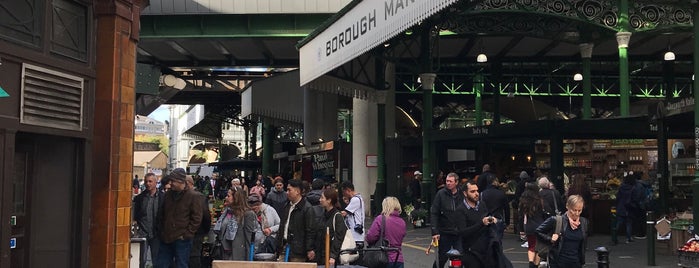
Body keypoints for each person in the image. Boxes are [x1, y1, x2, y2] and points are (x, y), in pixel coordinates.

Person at [155, 168, 203, 268]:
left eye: (173, 181)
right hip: (166, 237)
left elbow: (197, 218)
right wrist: (161, 231)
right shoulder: (168, 195)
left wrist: (187, 234)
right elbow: (162, 213)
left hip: (182, 239)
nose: (170, 183)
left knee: (181, 265)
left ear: (181, 181)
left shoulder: (193, 196)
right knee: (160, 265)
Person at [457, 181, 510, 268]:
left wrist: (491, 220)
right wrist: (481, 223)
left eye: (477, 191)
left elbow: (486, 222)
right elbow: (463, 232)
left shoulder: (482, 205)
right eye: (472, 192)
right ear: (465, 193)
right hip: (471, 251)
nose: (476, 194)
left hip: (486, 249)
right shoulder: (461, 210)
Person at [535, 195, 588, 268]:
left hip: (576, 263)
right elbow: (538, 231)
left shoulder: (584, 222)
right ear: (567, 206)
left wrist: (582, 261)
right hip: (558, 263)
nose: (577, 213)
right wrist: (550, 239)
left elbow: (582, 245)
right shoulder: (556, 220)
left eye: (579, 210)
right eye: (574, 210)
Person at [213, 186, 257, 260]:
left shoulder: (248, 214)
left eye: (228, 196)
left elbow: (249, 239)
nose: (226, 198)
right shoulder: (227, 212)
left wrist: (249, 260)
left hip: (237, 254)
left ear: (236, 198)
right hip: (224, 252)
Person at [277, 179, 317, 262]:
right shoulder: (287, 205)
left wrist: (309, 248)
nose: (287, 192)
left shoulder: (307, 208)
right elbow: (282, 225)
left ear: (297, 191)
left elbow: (310, 230)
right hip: (283, 247)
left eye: (289, 190)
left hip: (298, 251)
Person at [430, 172, 463, 268]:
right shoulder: (441, 194)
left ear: (456, 182)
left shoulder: (462, 194)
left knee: (459, 258)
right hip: (445, 232)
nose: (448, 183)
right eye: (447, 181)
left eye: (450, 181)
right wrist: (434, 231)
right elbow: (434, 213)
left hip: (458, 232)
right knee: (442, 258)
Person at [133, 173, 165, 264]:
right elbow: (136, 215)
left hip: (157, 234)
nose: (148, 184)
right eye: (146, 181)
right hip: (143, 233)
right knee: (141, 260)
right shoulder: (140, 198)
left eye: (150, 181)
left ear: (155, 182)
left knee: (157, 260)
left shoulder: (163, 197)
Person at [366, 196, 406, 268]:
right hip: (398, 259)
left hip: (383, 259)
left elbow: (370, 237)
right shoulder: (402, 222)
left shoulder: (381, 219)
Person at [314, 188, 348, 266]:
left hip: (331, 258)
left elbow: (339, 237)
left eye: (322, 198)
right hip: (321, 256)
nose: (320, 200)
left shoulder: (337, 216)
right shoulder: (323, 215)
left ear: (329, 200)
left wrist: (333, 256)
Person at [185, 175, 211, 268]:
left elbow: (206, 216)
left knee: (193, 256)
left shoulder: (197, 197)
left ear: (188, 184)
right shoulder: (200, 196)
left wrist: (204, 230)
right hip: (197, 231)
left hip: (196, 231)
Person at [519, 182, 545, 268]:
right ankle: (536, 265)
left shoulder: (523, 201)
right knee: (538, 248)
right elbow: (543, 213)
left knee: (531, 245)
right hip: (539, 225)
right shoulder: (539, 200)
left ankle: (531, 262)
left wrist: (521, 229)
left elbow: (521, 215)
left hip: (528, 226)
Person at [480, 175, 508, 242]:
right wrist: (507, 222)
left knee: (487, 241)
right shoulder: (501, 193)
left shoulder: (482, 194)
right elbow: (507, 209)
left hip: (486, 219)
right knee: (498, 241)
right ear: (494, 182)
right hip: (498, 219)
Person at [340, 181, 365, 247]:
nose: (343, 194)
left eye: (343, 191)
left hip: (355, 235)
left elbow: (344, 213)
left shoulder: (355, 199)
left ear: (348, 190)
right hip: (358, 235)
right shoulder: (359, 198)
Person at [615, 174, 636, 244]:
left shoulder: (621, 187)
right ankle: (628, 238)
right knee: (629, 223)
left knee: (619, 222)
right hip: (629, 207)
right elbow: (634, 198)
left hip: (621, 207)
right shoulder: (633, 188)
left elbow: (617, 198)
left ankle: (614, 236)